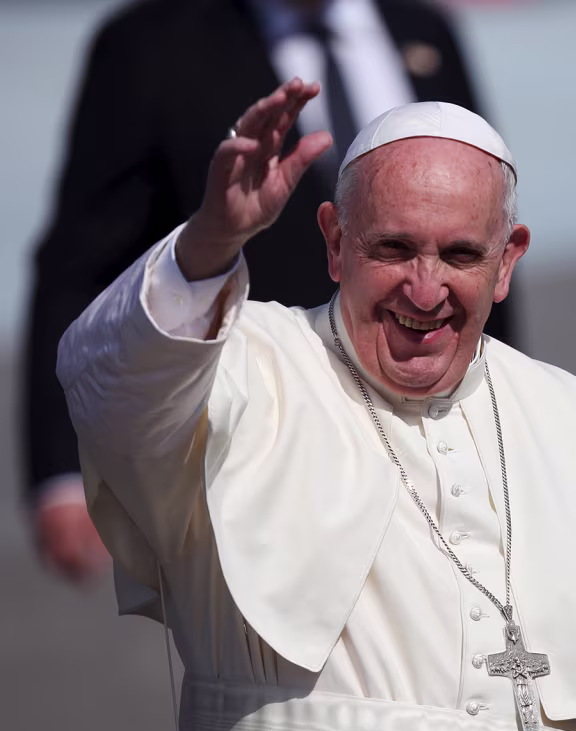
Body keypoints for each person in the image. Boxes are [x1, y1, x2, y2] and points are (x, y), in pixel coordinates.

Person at [58, 80, 576, 731]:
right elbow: (107, 381)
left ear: (508, 260)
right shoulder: (240, 373)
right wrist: (211, 244)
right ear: (333, 240)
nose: (426, 291)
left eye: (461, 254)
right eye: (393, 248)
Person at [25, 0, 513, 583]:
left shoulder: (424, 29)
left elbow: (483, 239)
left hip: (429, 444)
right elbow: (81, 258)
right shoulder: (148, 44)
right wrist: (62, 469)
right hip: (246, 445)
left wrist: (500, 421)